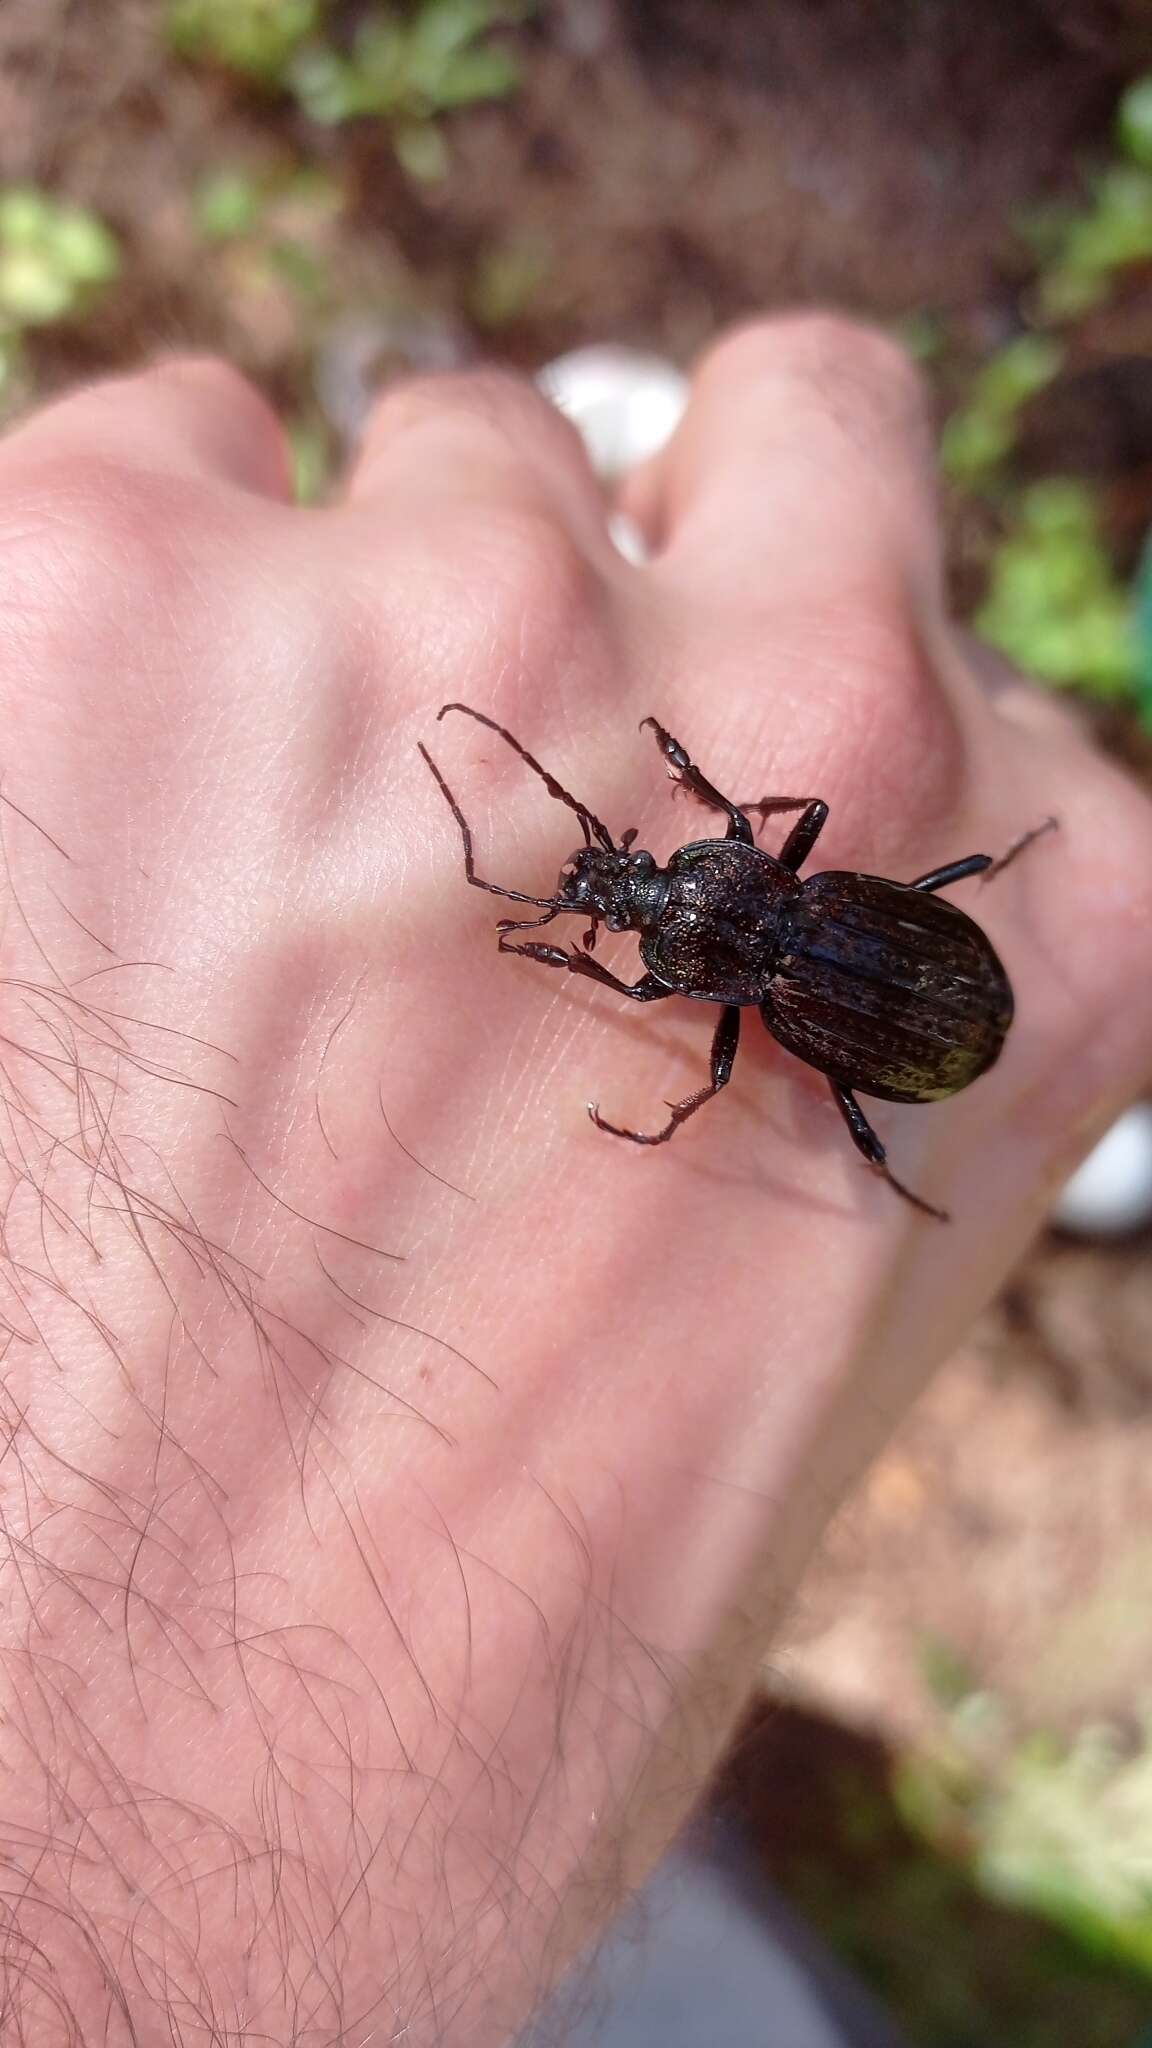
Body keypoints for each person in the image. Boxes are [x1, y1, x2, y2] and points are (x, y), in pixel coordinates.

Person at [0, 315, 1148, 2047]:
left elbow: (749, 893)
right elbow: (753, 862)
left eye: (635, 888)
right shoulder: (751, 928)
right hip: (903, 987)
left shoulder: (747, 969)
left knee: (853, 1085)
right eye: (632, 895)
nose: (631, 888)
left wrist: (680, 1085)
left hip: (913, 995)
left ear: (710, 892)